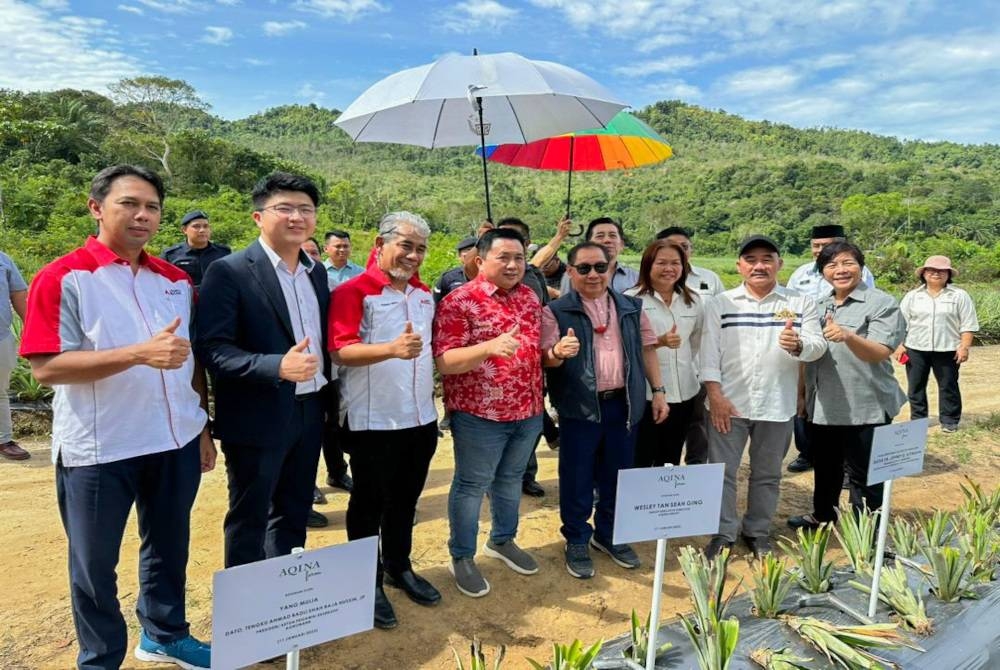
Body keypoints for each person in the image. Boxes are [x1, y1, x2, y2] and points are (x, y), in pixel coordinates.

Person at [20, 165, 215, 670]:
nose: (142, 215)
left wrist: (202, 428)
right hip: (100, 448)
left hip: (174, 440)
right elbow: (46, 367)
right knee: (94, 565)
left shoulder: (174, 279)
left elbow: (186, 360)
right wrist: (136, 354)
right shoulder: (62, 277)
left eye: (152, 207)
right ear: (96, 207)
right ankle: (101, 658)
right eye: (129, 203)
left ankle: (165, 634)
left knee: (169, 546)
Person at [195, 172, 330, 569]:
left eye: (305, 209)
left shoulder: (315, 271)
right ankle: (245, 610)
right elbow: (213, 350)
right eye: (284, 208)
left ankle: (282, 599)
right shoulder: (230, 271)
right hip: (258, 414)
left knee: (294, 510)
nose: (296, 217)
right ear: (258, 218)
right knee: (250, 515)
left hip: (309, 411)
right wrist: (277, 366)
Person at [330, 211, 441, 629]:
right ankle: (365, 582)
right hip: (373, 420)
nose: (413, 255)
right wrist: (391, 349)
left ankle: (399, 566)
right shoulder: (354, 291)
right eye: (406, 246)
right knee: (368, 503)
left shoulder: (424, 294)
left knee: (405, 500)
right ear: (381, 243)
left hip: (420, 417)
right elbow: (341, 351)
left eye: (420, 248)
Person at [542, 242, 668, 579]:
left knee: (619, 474)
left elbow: (648, 350)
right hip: (580, 407)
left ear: (611, 268)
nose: (593, 274)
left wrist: (658, 392)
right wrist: (558, 350)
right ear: (570, 272)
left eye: (600, 266)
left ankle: (609, 534)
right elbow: (546, 358)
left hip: (623, 405)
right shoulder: (556, 310)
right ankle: (577, 538)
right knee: (577, 475)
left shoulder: (630, 306)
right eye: (583, 268)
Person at [700, 235, 826, 559]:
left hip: (776, 403)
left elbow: (818, 345)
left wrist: (798, 345)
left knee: (768, 474)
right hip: (727, 404)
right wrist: (715, 395)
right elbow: (708, 355)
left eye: (767, 259)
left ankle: (757, 532)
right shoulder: (721, 303)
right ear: (739, 266)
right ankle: (723, 533)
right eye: (751, 259)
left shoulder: (801, 303)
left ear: (779, 264)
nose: (759, 265)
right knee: (721, 473)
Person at [433, 228, 543, 598]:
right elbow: (446, 362)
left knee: (510, 479)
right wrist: (488, 347)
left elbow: (534, 349)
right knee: (471, 485)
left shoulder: (530, 297)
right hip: (480, 414)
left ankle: (502, 540)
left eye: (520, 258)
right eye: (504, 257)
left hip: (527, 409)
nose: (514, 265)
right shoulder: (459, 301)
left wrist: (556, 352)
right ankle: (462, 555)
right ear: (480, 260)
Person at [788, 242, 906, 529]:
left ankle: (866, 529)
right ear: (823, 272)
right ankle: (823, 515)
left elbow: (880, 351)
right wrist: (802, 395)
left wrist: (848, 336)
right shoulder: (818, 306)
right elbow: (809, 354)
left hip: (866, 402)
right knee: (826, 467)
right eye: (831, 265)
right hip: (824, 403)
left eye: (847, 263)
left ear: (861, 267)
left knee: (864, 472)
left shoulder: (882, 303)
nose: (840, 270)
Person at [785, 224, 874, 473]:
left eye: (827, 245)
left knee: (839, 399)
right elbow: (791, 305)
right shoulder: (801, 273)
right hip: (805, 343)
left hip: (843, 344)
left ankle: (847, 462)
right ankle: (807, 452)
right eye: (816, 246)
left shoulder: (856, 272)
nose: (821, 250)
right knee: (803, 397)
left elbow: (866, 309)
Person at [625, 240, 704, 467]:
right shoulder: (632, 300)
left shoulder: (694, 301)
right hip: (647, 394)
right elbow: (626, 350)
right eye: (661, 263)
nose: (669, 269)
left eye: (675, 263)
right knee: (641, 456)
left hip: (685, 392)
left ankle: (664, 502)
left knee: (670, 457)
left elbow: (696, 343)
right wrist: (658, 342)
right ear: (648, 265)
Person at [496, 217, 558, 495]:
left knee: (529, 423)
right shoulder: (482, 275)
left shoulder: (534, 277)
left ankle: (526, 474)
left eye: (518, 240)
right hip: (494, 369)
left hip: (531, 366)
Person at [654, 226, 725, 466]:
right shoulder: (644, 289)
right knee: (660, 435)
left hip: (696, 371)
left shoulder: (708, 279)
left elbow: (708, 330)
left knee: (698, 427)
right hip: (656, 377)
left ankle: (694, 475)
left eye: (683, 247)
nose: (678, 253)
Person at [897, 255, 979, 433]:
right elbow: (900, 323)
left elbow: (968, 324)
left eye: (942, 271)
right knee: (916, 386)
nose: (936, 273)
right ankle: (918, 420)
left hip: (948, 348)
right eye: (932, 270)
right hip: (915, 348)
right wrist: (899, 345)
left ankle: (949, 420)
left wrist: (964, 347)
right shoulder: (912, 296)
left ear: (948, 274)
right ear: (924, 273)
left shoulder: (959, 296)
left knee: (948, 385)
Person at [559, 217, 638, 294]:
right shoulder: (574, 275)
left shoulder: (635, 277)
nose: (607, 240)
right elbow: (565, 305)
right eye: (600, 236)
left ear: (622, 245)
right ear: (588, 244)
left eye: (612, 235)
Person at [0, 249, 28, 461]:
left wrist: (35, 329)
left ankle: (3, 440)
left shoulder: (3, 259)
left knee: (0, 391)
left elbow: (18, 294)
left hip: (1, 338)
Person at [160, 209, 230, 288]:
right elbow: (162, 284)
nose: (202, 230)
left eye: (206, 226)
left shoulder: (223, 253)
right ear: (184, 230)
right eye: (196, 226)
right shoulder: (171, 255)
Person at [433, 236, 479, 303]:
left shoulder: (490, 276)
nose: (471, 255)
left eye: (474, 251)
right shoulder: (448, 277)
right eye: (468, 250)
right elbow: (436, 302)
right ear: (459, 256)